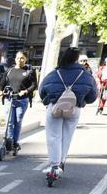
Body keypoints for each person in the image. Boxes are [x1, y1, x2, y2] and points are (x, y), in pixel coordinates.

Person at [38, 46, 97, 180]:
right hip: (74, 108)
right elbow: (92, 96)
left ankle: (54, 165)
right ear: (77, 59)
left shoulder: (54, 73)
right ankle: (61, 162)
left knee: (53, 136)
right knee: (67, 136)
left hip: (55, 107)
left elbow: (42, 90)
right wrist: (82, 100)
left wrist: (48, 99)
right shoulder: (86, 75)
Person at [0, 51, 37, 152]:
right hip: (9, 99)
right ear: (15, 59)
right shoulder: (9, 70)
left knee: (18, 121)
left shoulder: (29, 71)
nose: (19, 60)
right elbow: (2, 83)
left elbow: (34, 85)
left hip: (22, 100)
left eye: (22, 58)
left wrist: (25, 91)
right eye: (18, 58)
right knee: (9, 122)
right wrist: (0, 91)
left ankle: (15, 142)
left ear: (26, 59)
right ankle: (9, 142)